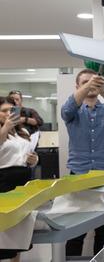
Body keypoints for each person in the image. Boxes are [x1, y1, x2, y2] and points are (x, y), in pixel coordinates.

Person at [61, 69, 104, 256]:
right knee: (76, 230)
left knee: (103, 230)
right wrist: (88, 87)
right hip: (80, 176)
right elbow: (66, 110)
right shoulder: (72, 111)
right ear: (77, 86)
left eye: (94, 82)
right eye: (84, 82)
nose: (90, 85)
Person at [0, 96, 38, 262]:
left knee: (20, 228)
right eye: (4, 111)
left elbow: (27, 154)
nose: (8, 114)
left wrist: (33, 159)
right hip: (4, 180)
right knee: (4, 229)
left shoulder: (21, 132)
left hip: (23, 180)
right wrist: (5, 128)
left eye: (11, 110)